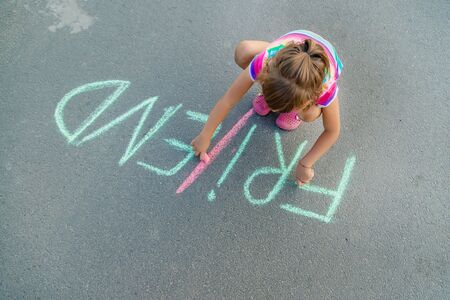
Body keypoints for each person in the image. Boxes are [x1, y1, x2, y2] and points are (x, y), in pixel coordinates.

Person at [191, 30, 343, 185]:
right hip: (289, 51)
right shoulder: (266, 61)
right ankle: (274, 95)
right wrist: (206, 134)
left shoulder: (325, 87)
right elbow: (228, 99)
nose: (276, 111)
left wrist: (306, 163)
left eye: (284, 108)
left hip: (313, 68)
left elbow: (332, 130)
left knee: (311, 114)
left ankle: (293, 111)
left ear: (308, 100)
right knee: (243, 51)